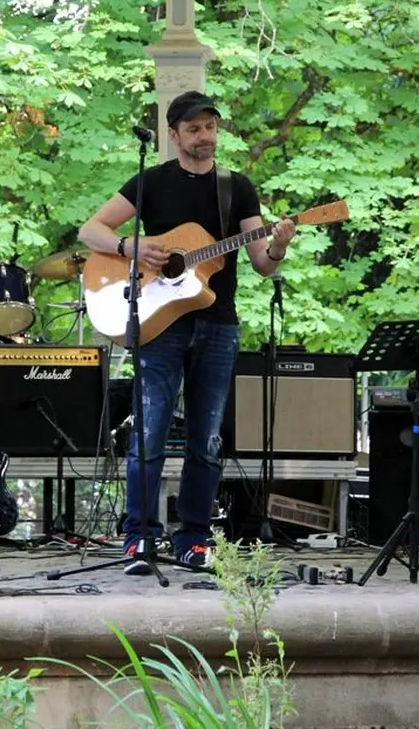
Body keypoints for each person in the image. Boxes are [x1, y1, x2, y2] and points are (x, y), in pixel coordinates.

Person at [78, 91, 297, 572]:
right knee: (149, 433)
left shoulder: (236, 187)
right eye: (194, 129)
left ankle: (194, 538)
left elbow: (261, 263)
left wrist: (278, 246)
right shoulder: (151, 182)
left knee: (207, 438)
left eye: (211, 127)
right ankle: (139, 537)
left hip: (217, 325)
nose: (205, 137)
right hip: (159, 325)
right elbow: (88, 231)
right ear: (174, 135)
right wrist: (128, 243)